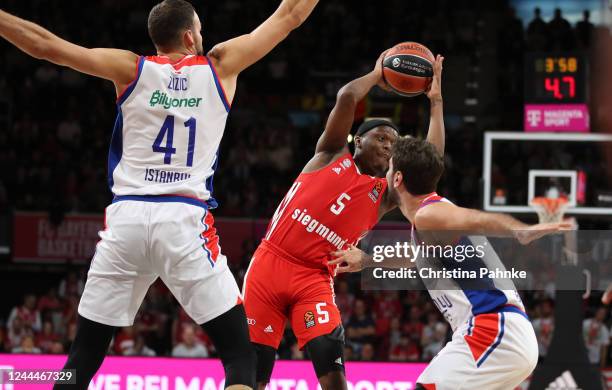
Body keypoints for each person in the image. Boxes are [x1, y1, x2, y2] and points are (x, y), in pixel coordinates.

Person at [0, 0, 319, 388]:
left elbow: (45, 45)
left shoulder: (130, 68)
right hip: (183, 221)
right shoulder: (221, 66)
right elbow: (290, 16)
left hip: (126, 222)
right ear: (189, 35)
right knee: (239, 358)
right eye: (200, 30)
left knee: (81, 359)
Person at [243, 53, 445, 390]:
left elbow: (431, 163)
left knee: (332, 370)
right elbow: (347, 97)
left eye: (393, 144)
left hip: (314, 278)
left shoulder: (385, 195)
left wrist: (436, 103)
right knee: (253, 374)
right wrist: (376, 75)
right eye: (381, 138)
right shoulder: (330, 154)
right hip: (270, 265)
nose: (387, 146)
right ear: (358, 140)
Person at [331, 136, 573, 389]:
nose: (386, 174)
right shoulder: (430, 222)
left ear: (398, 179)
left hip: (493, 329)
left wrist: (518, 230)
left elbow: (474, 219)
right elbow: (415, 257)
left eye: (389, 169)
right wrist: (368, 260)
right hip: (500, 333)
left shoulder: (430, 214)